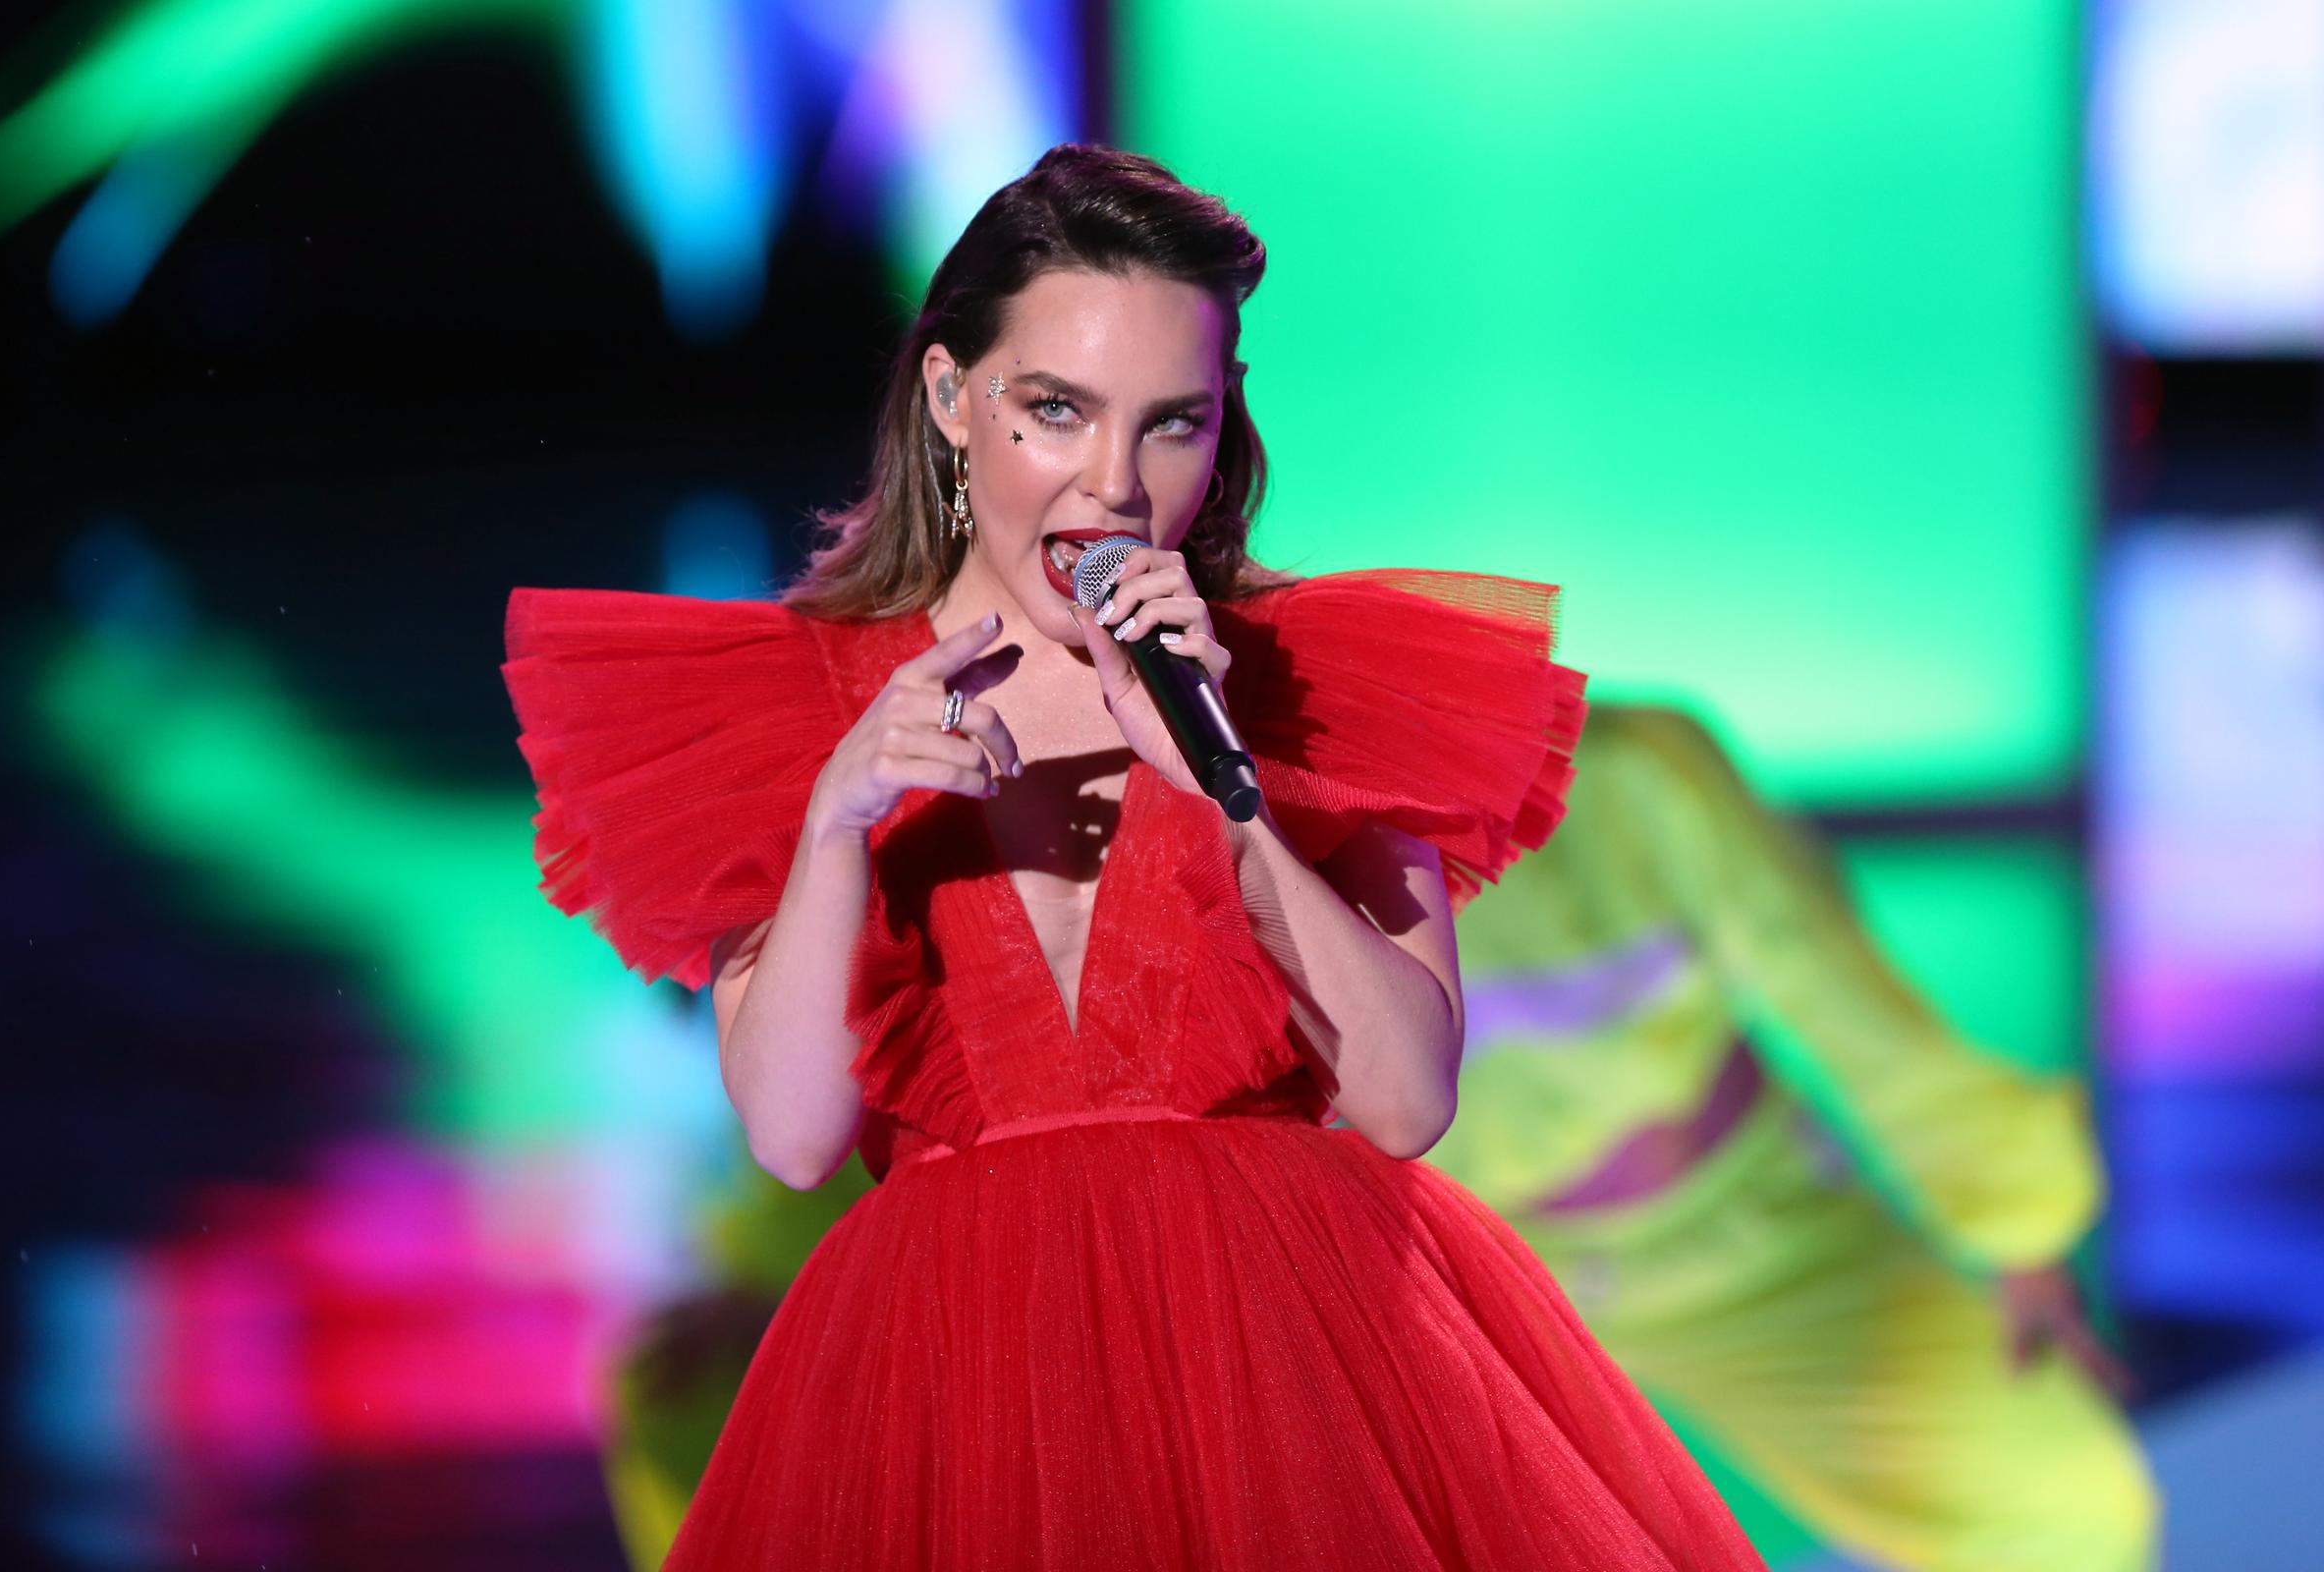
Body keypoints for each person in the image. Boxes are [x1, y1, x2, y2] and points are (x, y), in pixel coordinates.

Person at [503, 144, 1763, 1569]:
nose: (1112, 484)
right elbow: (794, 1140)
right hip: (955, 1388)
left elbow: (1406, 1103)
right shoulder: (792, 714)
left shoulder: (1308, 686)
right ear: (947, 400)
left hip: (1303, 1384)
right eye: (1056, 410)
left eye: (1174, 424)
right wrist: (836, 830)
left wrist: (1229, 789)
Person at [1432, 704, 2159, 1571]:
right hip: (1469, 1303)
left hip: (1768, 1245)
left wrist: (2018, 1219)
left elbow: (1834, 989)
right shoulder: (1257, 841)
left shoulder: (1623, 767)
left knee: (2064, 1512)